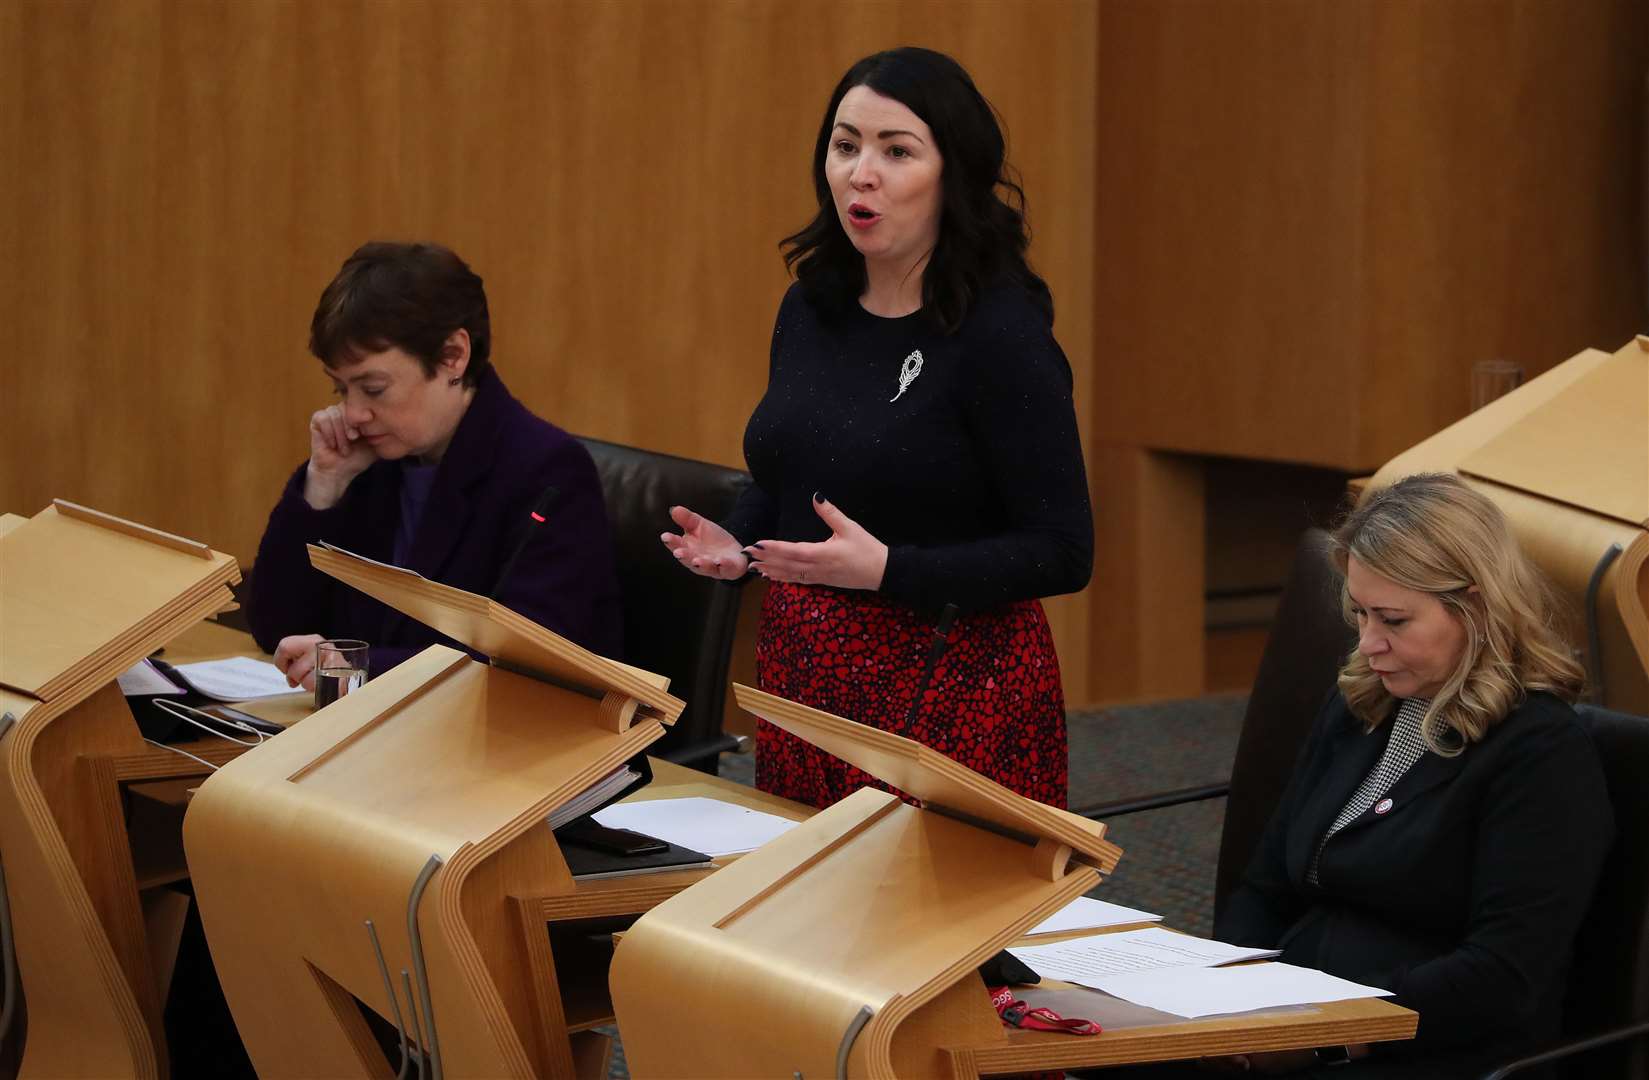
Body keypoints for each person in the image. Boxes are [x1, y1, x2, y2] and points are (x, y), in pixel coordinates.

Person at [661, 47, 1092, 809]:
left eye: (896, 152)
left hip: (951, 687)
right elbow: (790, 471)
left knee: (921, 921)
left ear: (951, 175)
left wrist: (892, 572)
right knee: (803, 913)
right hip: (806, 672)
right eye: (845, 144)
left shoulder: (999, 335)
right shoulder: (812, 305)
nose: (861, 173)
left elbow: (1062, 551)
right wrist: (740, 541)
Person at [1209, 473, 1614, 1077]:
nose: (1368, 643)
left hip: (1423, 1048)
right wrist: (1218, 996)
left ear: (1475, 607)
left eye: (1394, 620)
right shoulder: (1364, 703)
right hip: (1291, 1016)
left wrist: (1326, 1036)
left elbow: (1502, 976)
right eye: (1361, 613)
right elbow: (1265, 886)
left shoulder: (1542, 751)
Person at [249, 241, 622, 689]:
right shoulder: (368, 464)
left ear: (453, 357)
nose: (352, 413)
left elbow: (526, 663)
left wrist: (361, 669)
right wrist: (323, 486)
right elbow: (275, 630)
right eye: (340, 390)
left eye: (374, 388)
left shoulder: (547, 473)